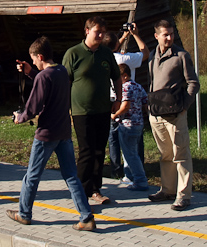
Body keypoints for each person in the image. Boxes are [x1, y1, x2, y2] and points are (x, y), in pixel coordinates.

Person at [7, 37, 96, 231]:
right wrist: (31, 73)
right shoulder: (61, 71)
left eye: (33, 60)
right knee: (71, 176)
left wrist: (20, 118)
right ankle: (86, 216)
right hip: (63, 132)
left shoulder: (43, 77)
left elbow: (33, 106)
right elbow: (47, 85)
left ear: (40, 56)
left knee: (31, 176)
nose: (32, 63)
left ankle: (24, 214)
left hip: (46, 135)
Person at [63, 16, 121, 205]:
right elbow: (64, 82)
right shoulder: (73, 53)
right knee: (86, 151)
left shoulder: (106, 53)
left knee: (99, 151)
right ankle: (80, 190)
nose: (102, 35)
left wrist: (118, 99)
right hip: (81, 111)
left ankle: (95, 189)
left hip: (103, 109)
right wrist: (65, 108)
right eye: (98, 31)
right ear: (87, 31)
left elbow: (117, 78)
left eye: (103, 31)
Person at [148, 18, 200, 211]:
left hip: (175, 115)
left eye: (171, 33)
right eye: (165, 34)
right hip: (157, 114)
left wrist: (184, 106)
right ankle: (167, 190)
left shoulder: (181, 56)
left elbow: (193, 83)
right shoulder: (153, 55)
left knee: (181, 154)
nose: (169, 37)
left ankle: (183, 195)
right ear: (156, 36)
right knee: (166, 155)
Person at [104, 23, 150, 179]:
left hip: (109, 99)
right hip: (124, 99)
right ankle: (137, 170)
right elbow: (145, 53)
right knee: (133, 141)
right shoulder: (125, 59)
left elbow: (112, 47)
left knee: (113, 138)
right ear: (117, 44)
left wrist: (123, 37)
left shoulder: (103, 57)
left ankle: (116, 169)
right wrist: (135, 34)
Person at [110, 63, 150, 191]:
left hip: (127, 124)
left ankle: (140, 180)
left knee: (130, 154)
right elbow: (145, 102)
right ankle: (130, 177)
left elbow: (125, 106)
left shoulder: (126, 87)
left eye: (119, 77)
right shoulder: (138, 86)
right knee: (133, 152)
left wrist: (114, 115)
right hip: (138, 124)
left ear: (125, 76)